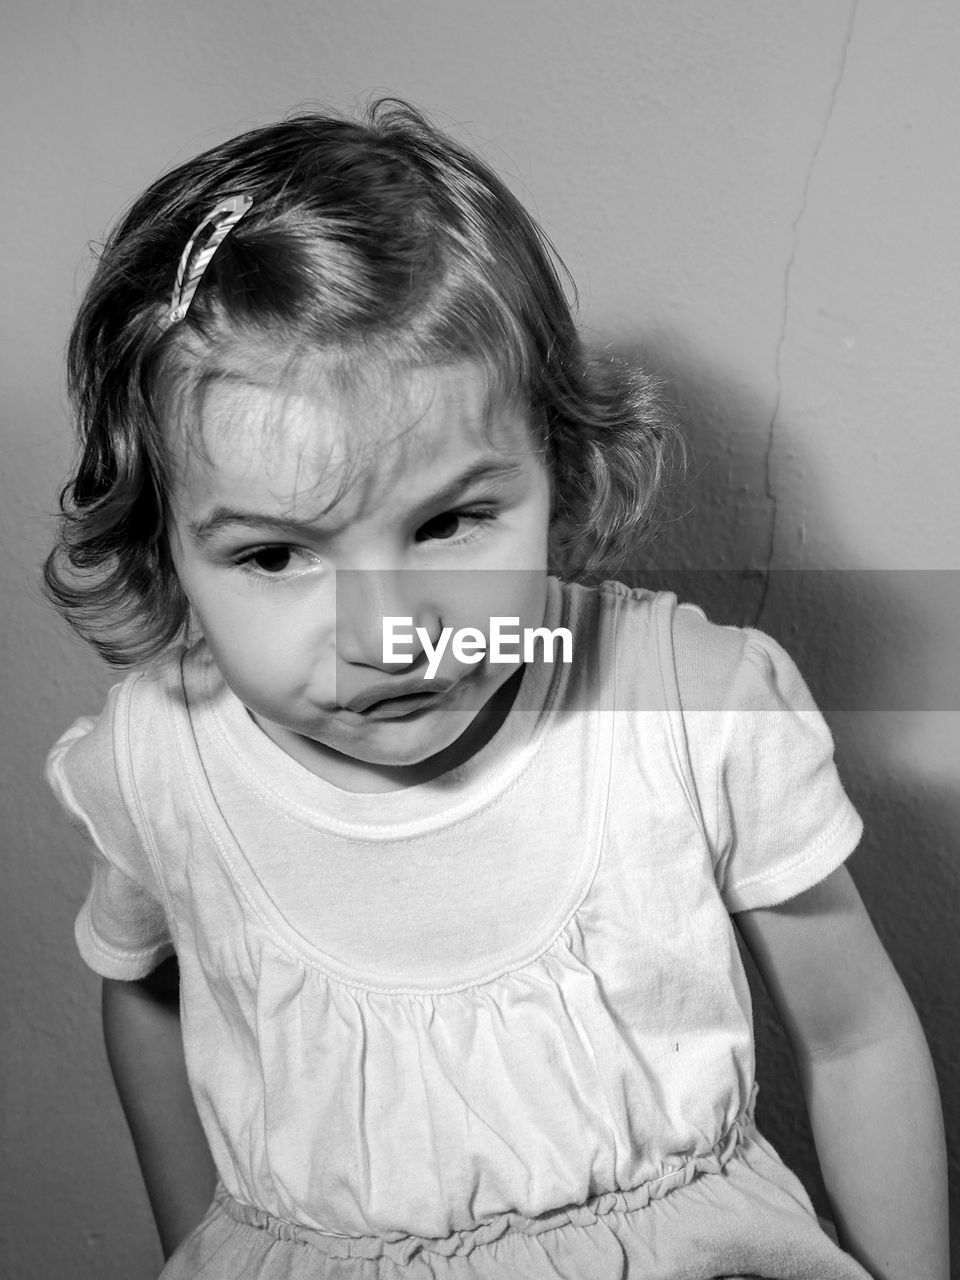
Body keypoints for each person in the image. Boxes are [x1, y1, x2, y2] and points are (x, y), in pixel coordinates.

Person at [44, 100, 947, 1280]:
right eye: (275, 555)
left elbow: (857, 1032)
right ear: (165, 551)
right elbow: (146, 993)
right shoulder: (156, 756)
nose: (389, 634)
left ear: (562, 475)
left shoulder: (686, 705)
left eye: (450, 522)